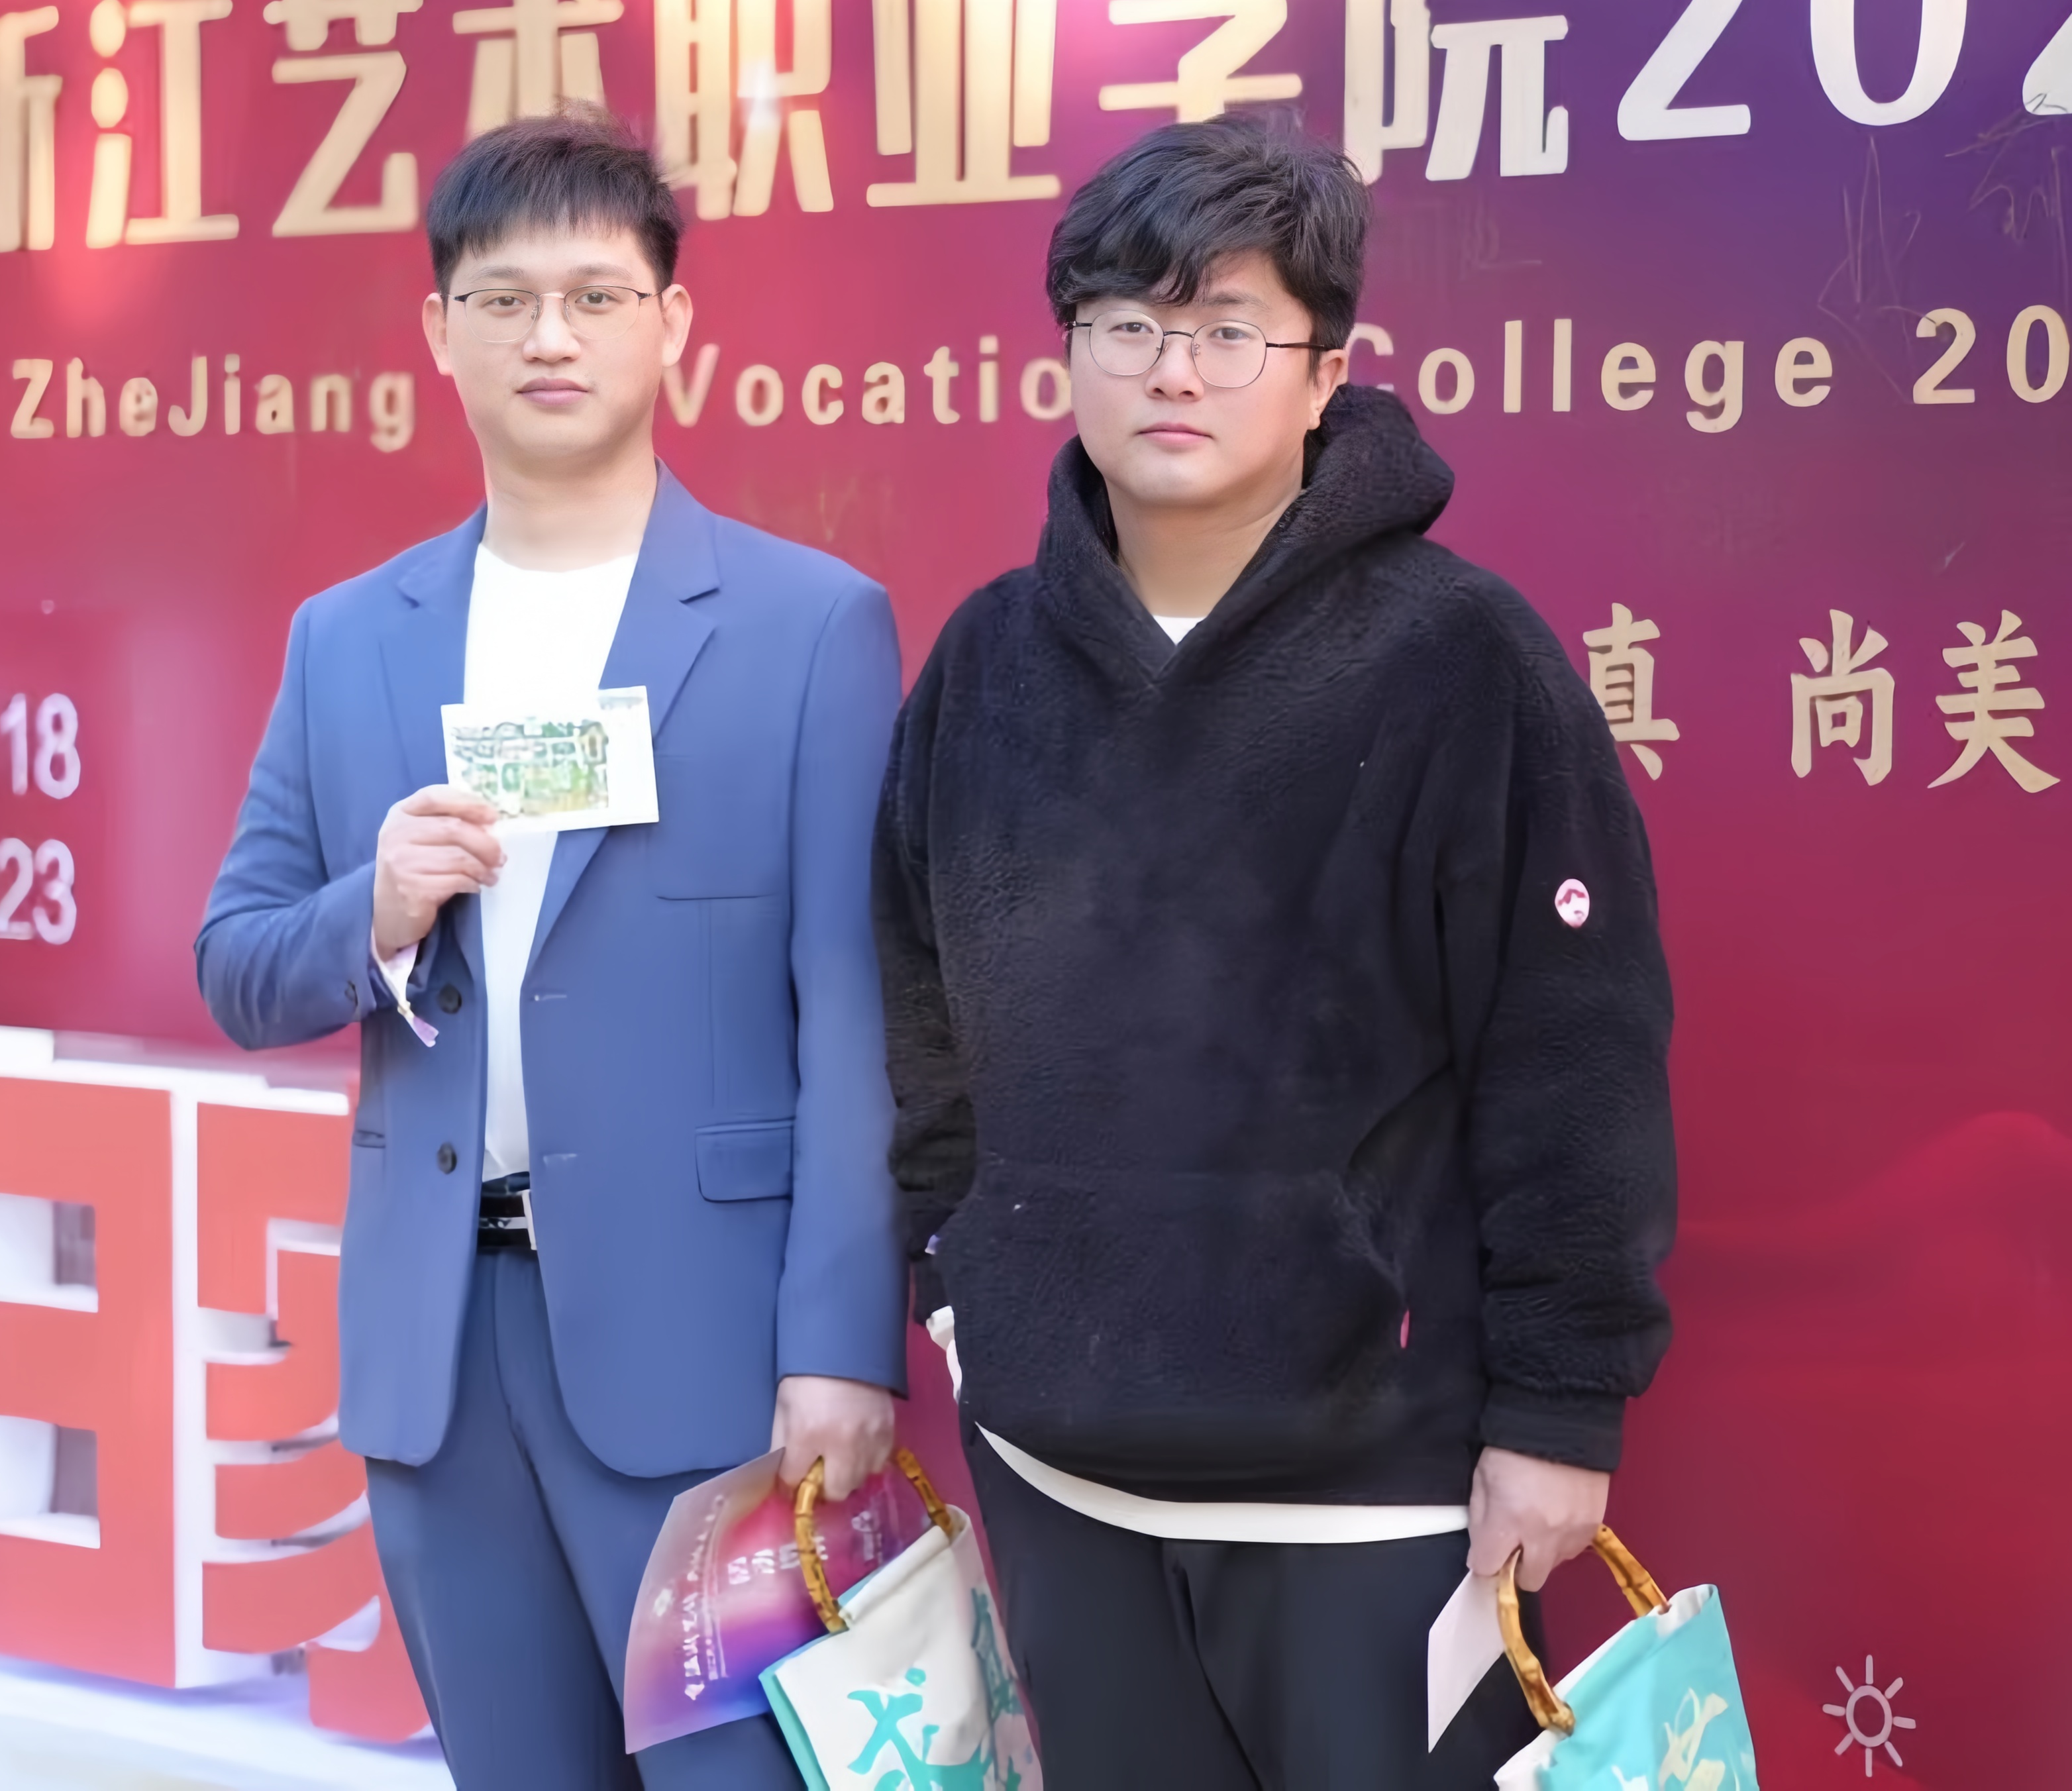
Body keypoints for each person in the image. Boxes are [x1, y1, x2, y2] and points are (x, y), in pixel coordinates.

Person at [875, 114, 1679, 1788]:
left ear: (1323, 374)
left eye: (1230, 329)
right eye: (1128, 324)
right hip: (1061, 1472)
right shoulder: (987, 664)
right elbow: (921, 1004)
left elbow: (1573, 1056)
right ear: (1071, 354)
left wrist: (1560, 1408)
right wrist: (957, 1284)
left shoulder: (1463, 658)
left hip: (1372, 1493)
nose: (1174, 370)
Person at [199, 110, 906, 1790]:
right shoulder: (351, 638)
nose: (550, 337)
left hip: (713, 1350)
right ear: (439, 334)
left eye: (597, 296)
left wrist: (841, 1342)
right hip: (443, 1358)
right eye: (504, 300)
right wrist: (373, 910)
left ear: (673, 324)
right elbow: (239, 962)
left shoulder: (810, 627)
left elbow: (860, 1012)